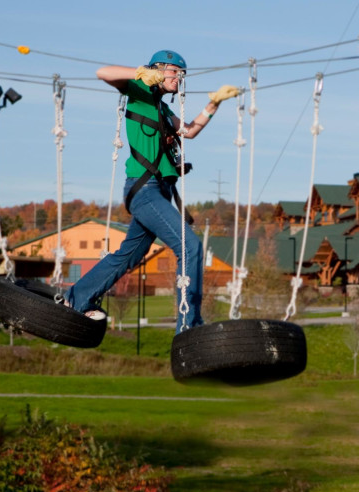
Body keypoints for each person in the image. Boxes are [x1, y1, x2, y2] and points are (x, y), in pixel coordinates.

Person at [64, 50, 239, 334]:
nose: (178, 78)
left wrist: (213, 103)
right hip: (145, 190)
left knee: (130, 255)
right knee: (190, 247)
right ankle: (189, 323)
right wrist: (140, 72)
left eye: (181, 74)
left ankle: (78, 298)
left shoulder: (162, 109)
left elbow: (191, 131)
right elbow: (103, 73)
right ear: (157, 70)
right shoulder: (139, 91)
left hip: (160, 192)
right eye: (173, 72)